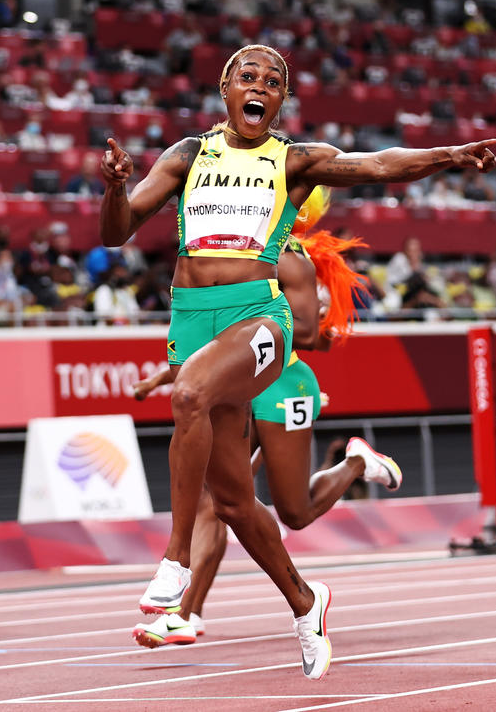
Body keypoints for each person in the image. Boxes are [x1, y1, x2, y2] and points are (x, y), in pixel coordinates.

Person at [99, 43, 496, 680]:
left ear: (282, 100)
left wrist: (448, 155)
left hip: (258, 316)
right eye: (248, 76)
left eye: (274, 81)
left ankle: (174, 562)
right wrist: (115, 188)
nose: (260, 86)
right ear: (226, 87)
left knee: (189, 397)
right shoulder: (185, 155)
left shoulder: (292, 160)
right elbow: (116, 231)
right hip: (190, 316)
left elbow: (378, 166)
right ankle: (307, 604)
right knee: (233, 502)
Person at [130, 191, 402, 646]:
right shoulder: (233, 252)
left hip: (281, 384)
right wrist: (162, 377)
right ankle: (184, 612)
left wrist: (284, 328)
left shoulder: (292, 259)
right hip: (242, 385)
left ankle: (355, 462)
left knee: (292, 512)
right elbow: (213, 346)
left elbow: (310, 335)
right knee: (218, 503)